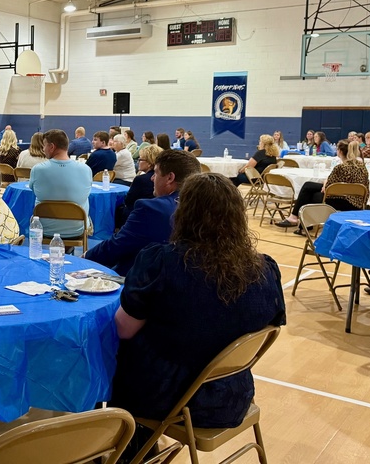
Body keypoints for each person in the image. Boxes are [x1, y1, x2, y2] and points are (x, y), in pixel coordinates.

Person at [109, 173, 286, 452]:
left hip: (169, 398)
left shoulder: (162, 262)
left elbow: (123, 329)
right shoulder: (265, 269)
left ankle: (121, 447)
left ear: (183, 213)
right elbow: (273, 323)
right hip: (234, 394)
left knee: (105, 351)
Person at [84, 150, 201, 275]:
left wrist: (86, 256)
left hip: (145, 281)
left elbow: (118, 245)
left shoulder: (152, 209)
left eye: (156, 173)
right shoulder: (203, 207)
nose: (152, 178)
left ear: (169, 178)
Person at [276, 140, 369, 229]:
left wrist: (325, 183)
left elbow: (328, 188)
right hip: (358, 202)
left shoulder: (341, 167)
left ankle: (296, 219)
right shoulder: (362, 167)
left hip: (343, 200)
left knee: (310, 192)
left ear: (339, 151)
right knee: (309, 188)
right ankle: (301, 223)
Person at [29, 129, 92, 238]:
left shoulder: (37, 170)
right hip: (77, 229)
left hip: (44, 228)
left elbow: (34, 190)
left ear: (51, 147)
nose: (43, 149)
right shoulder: (86, 169)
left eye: (44, 146)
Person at [114, 144, 162, 230]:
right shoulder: (162, 178)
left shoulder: (141, 180)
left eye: (140, 159)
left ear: (149, 163)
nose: (137, 161)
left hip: (136, 216)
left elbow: (128, 201)